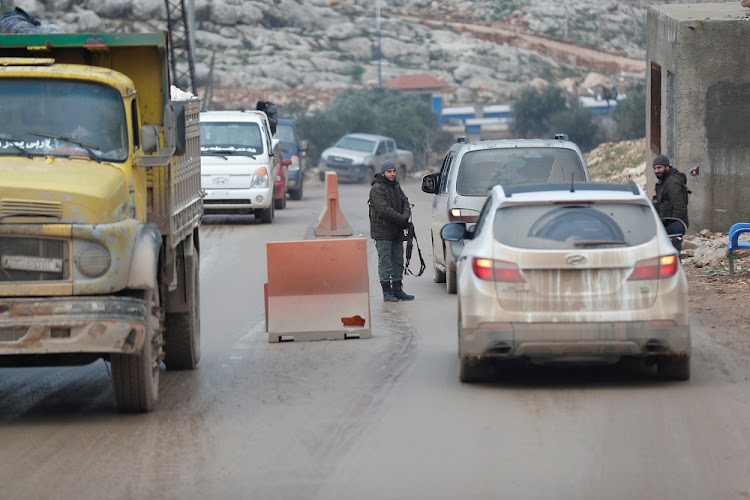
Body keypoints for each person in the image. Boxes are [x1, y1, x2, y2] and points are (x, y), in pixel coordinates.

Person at [369, 160, 414, 302]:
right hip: (383, 231)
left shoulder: (396, 186)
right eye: (389, 171)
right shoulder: (376, 189)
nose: (392, 174)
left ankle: (397, 289)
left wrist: (405, 217)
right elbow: (384, 210)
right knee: (385, 262)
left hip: (397, 231)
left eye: (394, 171)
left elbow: (406, 202)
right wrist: (402, 219)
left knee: (398, 261)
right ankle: (387, 292)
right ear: (383, 173)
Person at [652, 154, 689, 245]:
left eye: (659, 167)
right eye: (655, 168)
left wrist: (673, 229)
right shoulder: (664, 181)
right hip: (666, 223)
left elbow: (679, 208)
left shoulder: (672, 182)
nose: (657, 171)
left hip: (673, 225)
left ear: (667, 167)